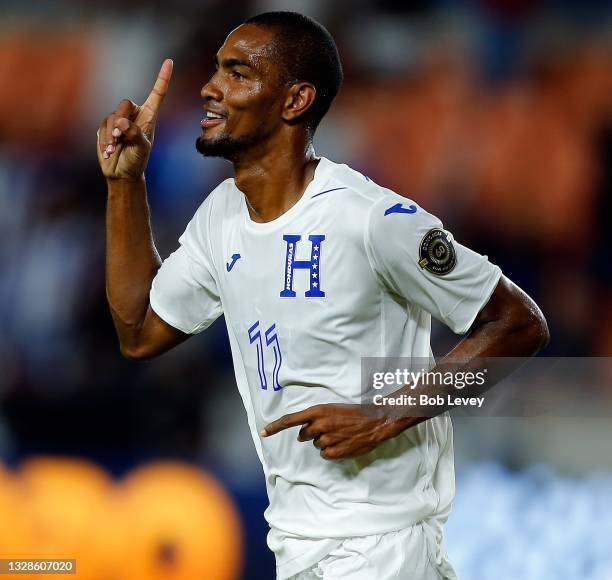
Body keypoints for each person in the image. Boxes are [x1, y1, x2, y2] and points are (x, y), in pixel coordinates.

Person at [96, 11, 548, 580]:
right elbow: (138, 331)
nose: (210, 87)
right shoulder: (221, 218)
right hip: (298, 543)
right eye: (215, 70)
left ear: (294, 101)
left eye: (237, 73)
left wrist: (385, 411)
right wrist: (123, 183)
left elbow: (519, 323)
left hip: (384, 546)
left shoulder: (371, 219)